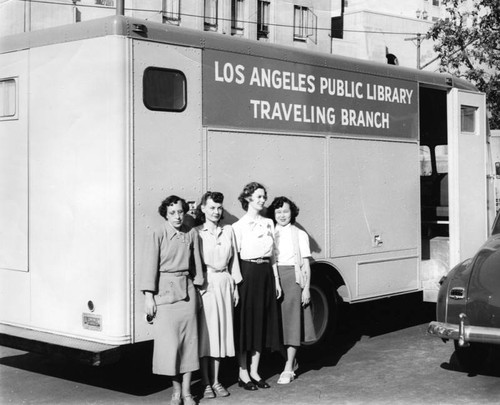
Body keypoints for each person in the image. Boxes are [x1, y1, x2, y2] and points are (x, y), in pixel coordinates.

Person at [141, 195, 204, 405]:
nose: (177, 216)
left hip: (187, 295)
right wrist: (149, 297)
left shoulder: (191, 233)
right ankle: (176, 391)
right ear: (165, 214)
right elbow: (150, 266)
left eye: (180, 212)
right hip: (165, 296)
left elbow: (197, 266)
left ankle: (187, 392)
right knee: (171, 346)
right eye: (172, 213)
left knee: (189, 344)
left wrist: (199, 288)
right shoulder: (157, 234)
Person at [232, 182, 282, 391]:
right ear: (248, 198)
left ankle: (255, 371)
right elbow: (234, 258)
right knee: (246, 323)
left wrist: (276, 280)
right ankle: (243, 372)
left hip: (265, 275)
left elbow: (273, 256)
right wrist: (237, 285)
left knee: (262, 322)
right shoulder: (238, 226)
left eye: (264, 197)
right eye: (259, 197)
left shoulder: (269, 223)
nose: (263, 200)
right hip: (248, 274)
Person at [194, 191, 242, 399]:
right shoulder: (197, 232)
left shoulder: (228, 230)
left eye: (219, 208)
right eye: (212, 207)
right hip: (206, 285)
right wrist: (199, 288)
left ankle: (216, 380)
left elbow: (234, 262)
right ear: (203, 208)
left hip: (225, 284)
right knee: (207, 337)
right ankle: (205, 382)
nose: (216, 211)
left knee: (221, 335)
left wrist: (235, 286)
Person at [267, 196, 316, 385]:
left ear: (292, 212)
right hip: (272, 278)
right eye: (278, 212)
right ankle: (290, 359)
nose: (282, 215)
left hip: (292, 279)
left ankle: (288, 367)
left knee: (292, 324)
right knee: (276, 325)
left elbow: (305, 264)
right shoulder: (269, 231)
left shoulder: (298, 234)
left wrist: (306, 289)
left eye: (285, 211)